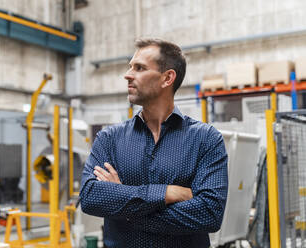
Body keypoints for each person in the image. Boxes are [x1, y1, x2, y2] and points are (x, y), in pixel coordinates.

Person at [80, 38, 228, 247]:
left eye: (139, 68)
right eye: (130, 67)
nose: (128, 75)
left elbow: (209, 214)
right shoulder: (109, 139)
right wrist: (167, 193)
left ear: (167, 78)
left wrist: (124, 205)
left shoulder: (206, 139)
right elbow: (90, 197)